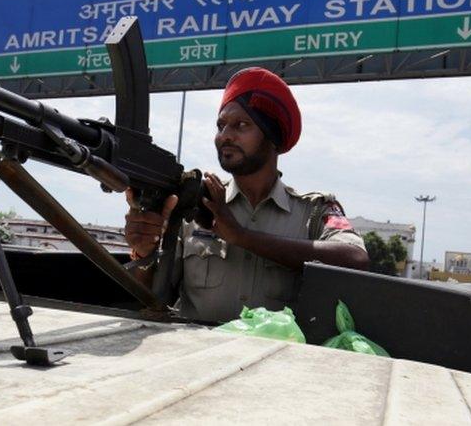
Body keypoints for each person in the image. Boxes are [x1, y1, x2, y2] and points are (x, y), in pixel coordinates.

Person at [125, 67, 369, 323]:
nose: (226, 136)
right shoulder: (195, 206)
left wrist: (242, 237)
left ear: (272, 137)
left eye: (241, 125)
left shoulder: (314, 211)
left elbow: (355, 259)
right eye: (221, 126)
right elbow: (152, 298)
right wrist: (142, 254)